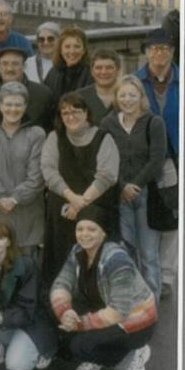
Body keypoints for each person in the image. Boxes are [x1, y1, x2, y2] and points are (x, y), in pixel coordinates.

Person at [50, 207, 157, 370]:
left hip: (135, 322)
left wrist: (79, 324)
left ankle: (135, 353)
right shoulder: (78, 250)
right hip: (104, 309)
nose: (84, 234)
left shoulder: (117, 259)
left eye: (92, 229)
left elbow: (118, 312)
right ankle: (100, 356)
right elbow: (61, 283)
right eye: (80, 229)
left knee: (80, 346)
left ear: (104, 233)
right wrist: (65, 312)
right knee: (63, 337)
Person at [40, 91, 120, 285]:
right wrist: (71, 198)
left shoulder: (104, 138)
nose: (70, 116)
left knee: (92, 260)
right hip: (61, 210)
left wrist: (80, 203)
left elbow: (107, 176)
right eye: (65, 113)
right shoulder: (54, 137)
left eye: (76, 111)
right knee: (60, 261)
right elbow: (49, 171)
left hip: (96, 208)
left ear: (86, 113)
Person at [100, 76, 166, 297]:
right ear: (116, 98)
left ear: (141, 97)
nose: (127, 99)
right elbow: (104, 158)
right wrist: (121, 187)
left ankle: (152, 305)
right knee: (127, 252)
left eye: (132, 94)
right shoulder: (108, 123)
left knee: (149, 255)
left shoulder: (153, 122)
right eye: (123, 95)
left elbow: (157, 159)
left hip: (147, 195)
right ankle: (133, 304)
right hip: (120, 196)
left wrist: (134, 185)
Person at [0, 217, 56, 370]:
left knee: (17, 366)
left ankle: (41, 350)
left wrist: (2, 318)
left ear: (9, 242)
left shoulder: (27, 265)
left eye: (0, 238)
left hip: (31, 322)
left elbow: (29, 308)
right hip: (6, 318)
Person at [0, 81, 47, 252]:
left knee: (26, 270)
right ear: (0, 105)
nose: (13, 109)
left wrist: (14, 199)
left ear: (25, 106)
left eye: (18, 104)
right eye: (8, 104)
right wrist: (1, 197)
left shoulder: (36, 134)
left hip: (26, 214)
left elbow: (37, 176)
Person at [134, 28, 179, 302]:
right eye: (153, 49)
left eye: (164, 48)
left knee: (173, 219)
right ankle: (146, 272)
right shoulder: (135, 82)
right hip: (145, 159)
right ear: (146, 52)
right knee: (146, 217)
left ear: (172, 52)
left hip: (177, 158)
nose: (158, 53)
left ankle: (166, 277)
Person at [0, 46, 54, 133]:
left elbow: (51, 129)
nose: (10, 69)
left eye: (15, 64)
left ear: (24, 66)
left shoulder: (43, 94)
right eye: (5, 64)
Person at [43, 26, 92, 100]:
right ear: (60, 50)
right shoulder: (53, 73)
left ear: (84, 50)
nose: (72, 51)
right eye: (67, 47)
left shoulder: (92, 73)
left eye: (77, 46)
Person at [79, 49, 122, 123]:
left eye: (109, 67)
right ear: (92, 71)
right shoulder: (80, 97)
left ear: (118, 70)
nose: (103, 72)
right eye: (98, 68)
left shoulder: (130, 95)